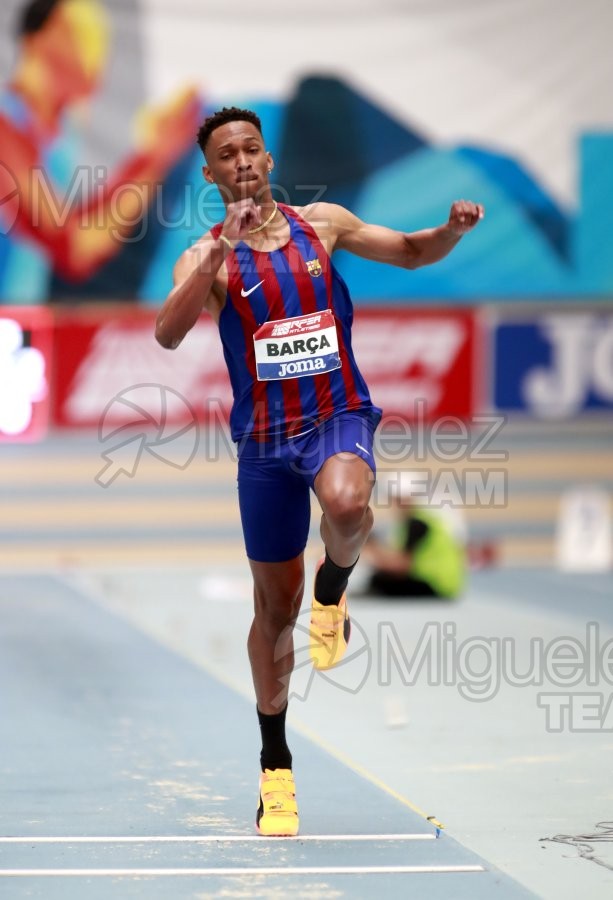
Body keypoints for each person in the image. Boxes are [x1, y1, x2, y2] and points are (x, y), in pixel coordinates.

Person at [154, 106, 484, 837]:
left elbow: (407, 251)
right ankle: (275, 770)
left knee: (344, 502)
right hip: (265, 445)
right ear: (210, 175)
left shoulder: (321, 225)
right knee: (273, 611)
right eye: (226, 155)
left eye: (251, 148)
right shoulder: (205, 256)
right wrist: (214, 260)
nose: (241, 161)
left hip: (337, 418)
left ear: (268, 161)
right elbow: (168, 332)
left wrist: (451, 230)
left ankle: (335, 588)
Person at [0, 0, 199, 302]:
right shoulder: (7, 130)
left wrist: (154, 156)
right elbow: (76, 248)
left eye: (97, 37)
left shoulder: (57, 135)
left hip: (30, 326)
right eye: (77, 33)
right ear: (36, 38)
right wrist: (154, 158)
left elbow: (87, 232)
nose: (92, 49)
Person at [363, 470, 467, 598]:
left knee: (379, 581)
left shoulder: (417, 523)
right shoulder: (423, 519)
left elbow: (401, 566)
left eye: (396, 499)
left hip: (435, 585)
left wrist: (370, 551)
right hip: (443, 584)